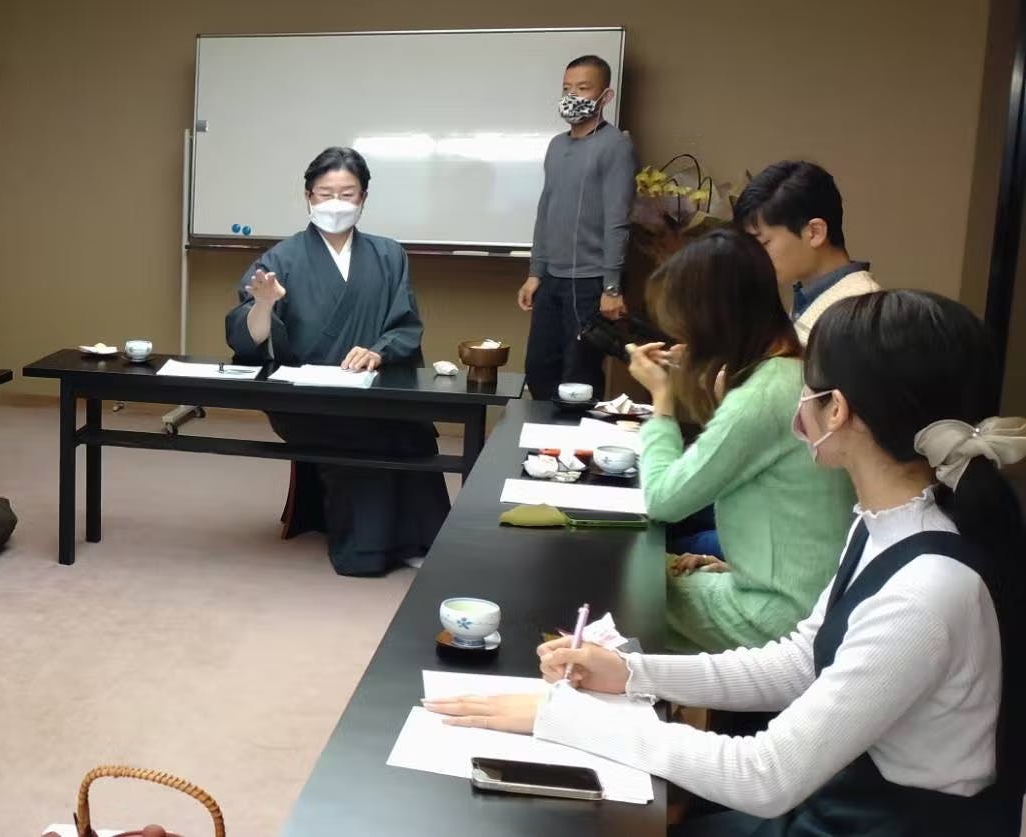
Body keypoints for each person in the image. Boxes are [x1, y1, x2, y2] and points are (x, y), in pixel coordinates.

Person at [428, 290, 1025, 835]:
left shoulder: (923, 591)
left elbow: (765, 776)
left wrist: (560, 717)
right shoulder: (888, 524)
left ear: (835, 410)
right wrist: (632, 672)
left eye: (806, 386)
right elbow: (804, 662)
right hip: (846, 805)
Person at [624, 231, 856, 653]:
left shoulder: (763, 396)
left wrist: (661, 400)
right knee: (652, 568)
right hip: (808, 597)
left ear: (711, 322)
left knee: (625, 585)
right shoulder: (795, 368)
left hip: (778, 616)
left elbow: (661, 500)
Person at [224, 146, 448, 576]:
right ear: (308, 197)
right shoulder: (280, 259)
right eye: (326, 194)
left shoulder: (389, 255)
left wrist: (378, 350)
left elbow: (405, 324)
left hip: (372, 386)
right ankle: (367, 551)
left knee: (412, 430)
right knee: (360, 433)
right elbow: (246, 338)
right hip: (306, 397)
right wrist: (264, 304)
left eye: (347, 194)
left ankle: (418, 541)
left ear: (363, 198)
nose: (336, 204)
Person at [516, 54, 638, 401]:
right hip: (551, 280)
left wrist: (611, 287)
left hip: (590, 282)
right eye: (567, 88)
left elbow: (618, 219)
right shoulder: (556, 145)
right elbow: (546, 210)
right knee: (539, 369)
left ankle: (577, 438)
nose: (572, 96)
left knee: (579, 376)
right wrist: (535, 272)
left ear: (605, 96)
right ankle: (541, 436)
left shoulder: (616, 146)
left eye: (583, 88)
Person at [735, 160, 881, 343]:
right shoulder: (813, 296)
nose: (754, 257)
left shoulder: (858, 311)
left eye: (763, 243)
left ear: (814, 232)